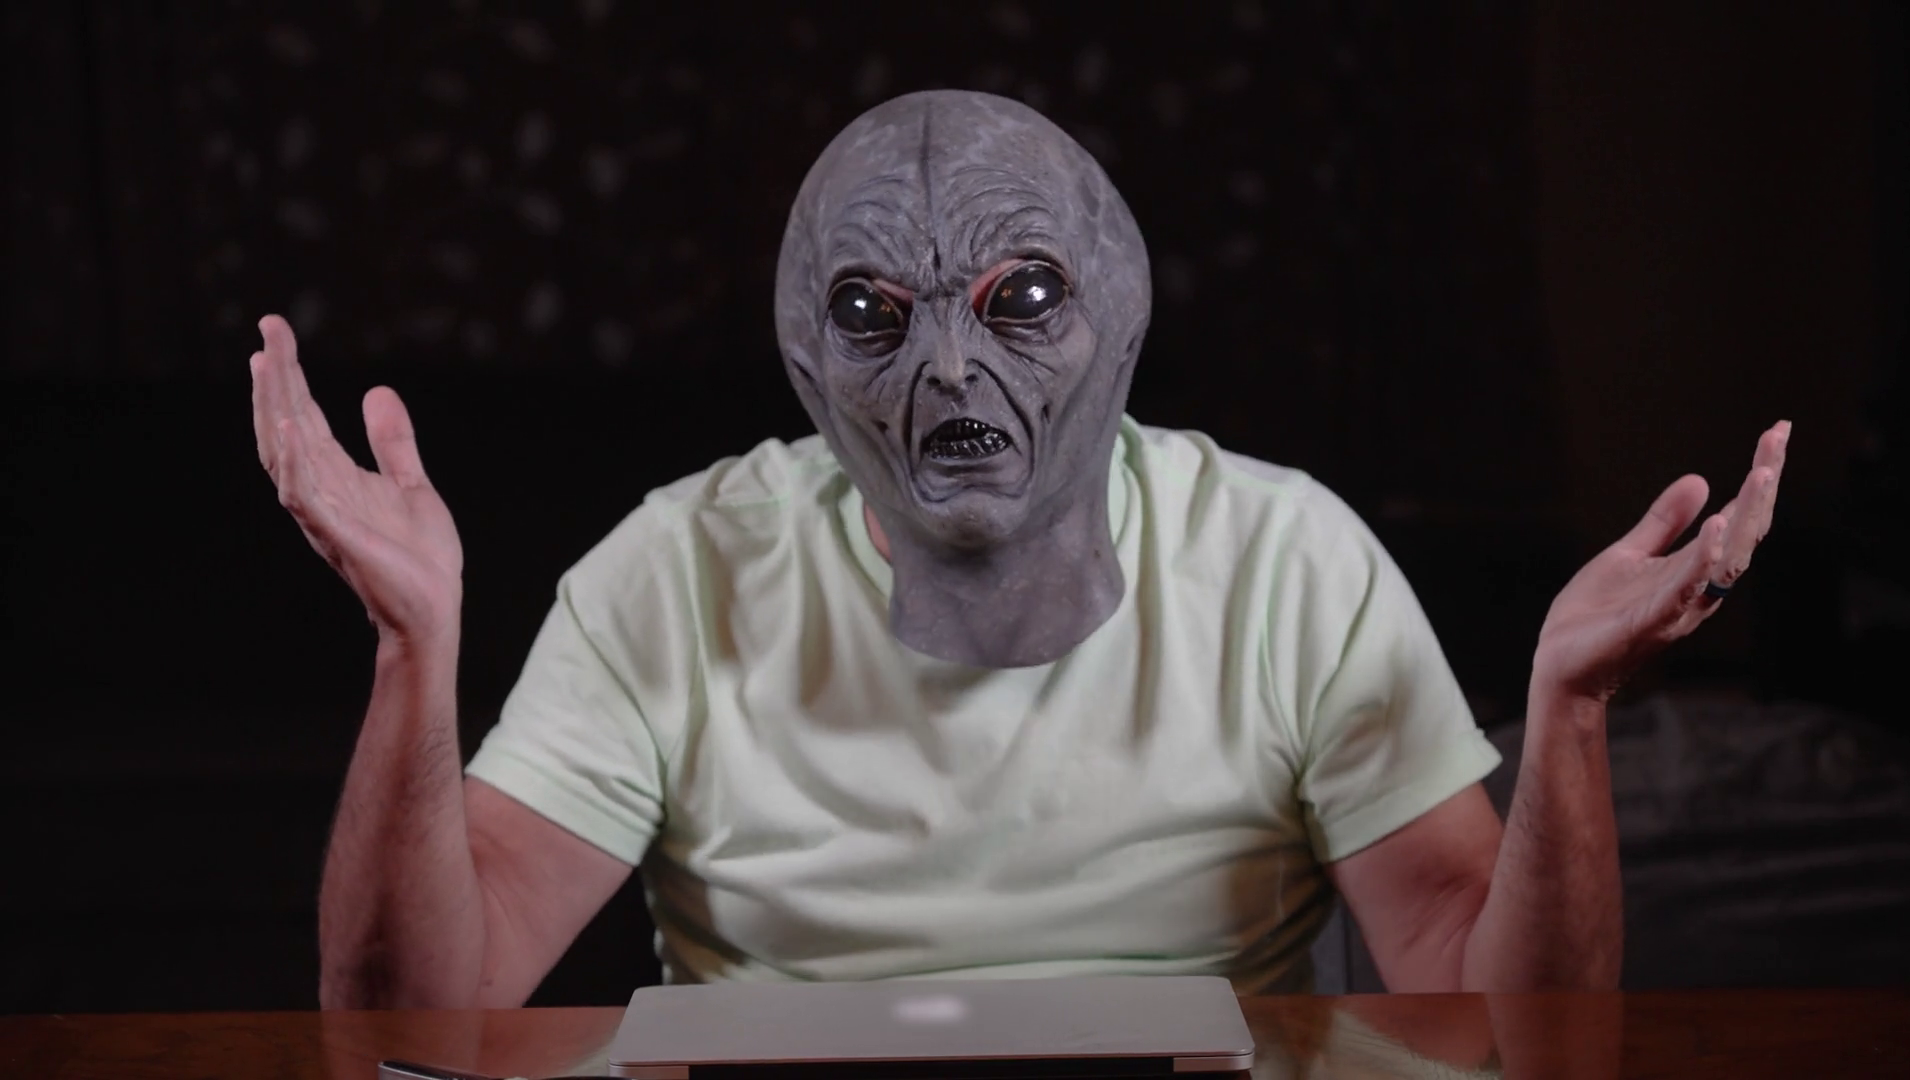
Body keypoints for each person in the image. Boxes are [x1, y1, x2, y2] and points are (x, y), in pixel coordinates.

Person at [249, 91, 1789, 1008]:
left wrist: (1568, 711)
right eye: (873, 314)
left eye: (1021, 300)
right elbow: (417, 1015)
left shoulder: (1287, 557)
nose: (946, 371)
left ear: (1120, 313)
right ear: (804, 363)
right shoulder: (672, 570)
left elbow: (1500, 1012)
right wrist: (413, 650)